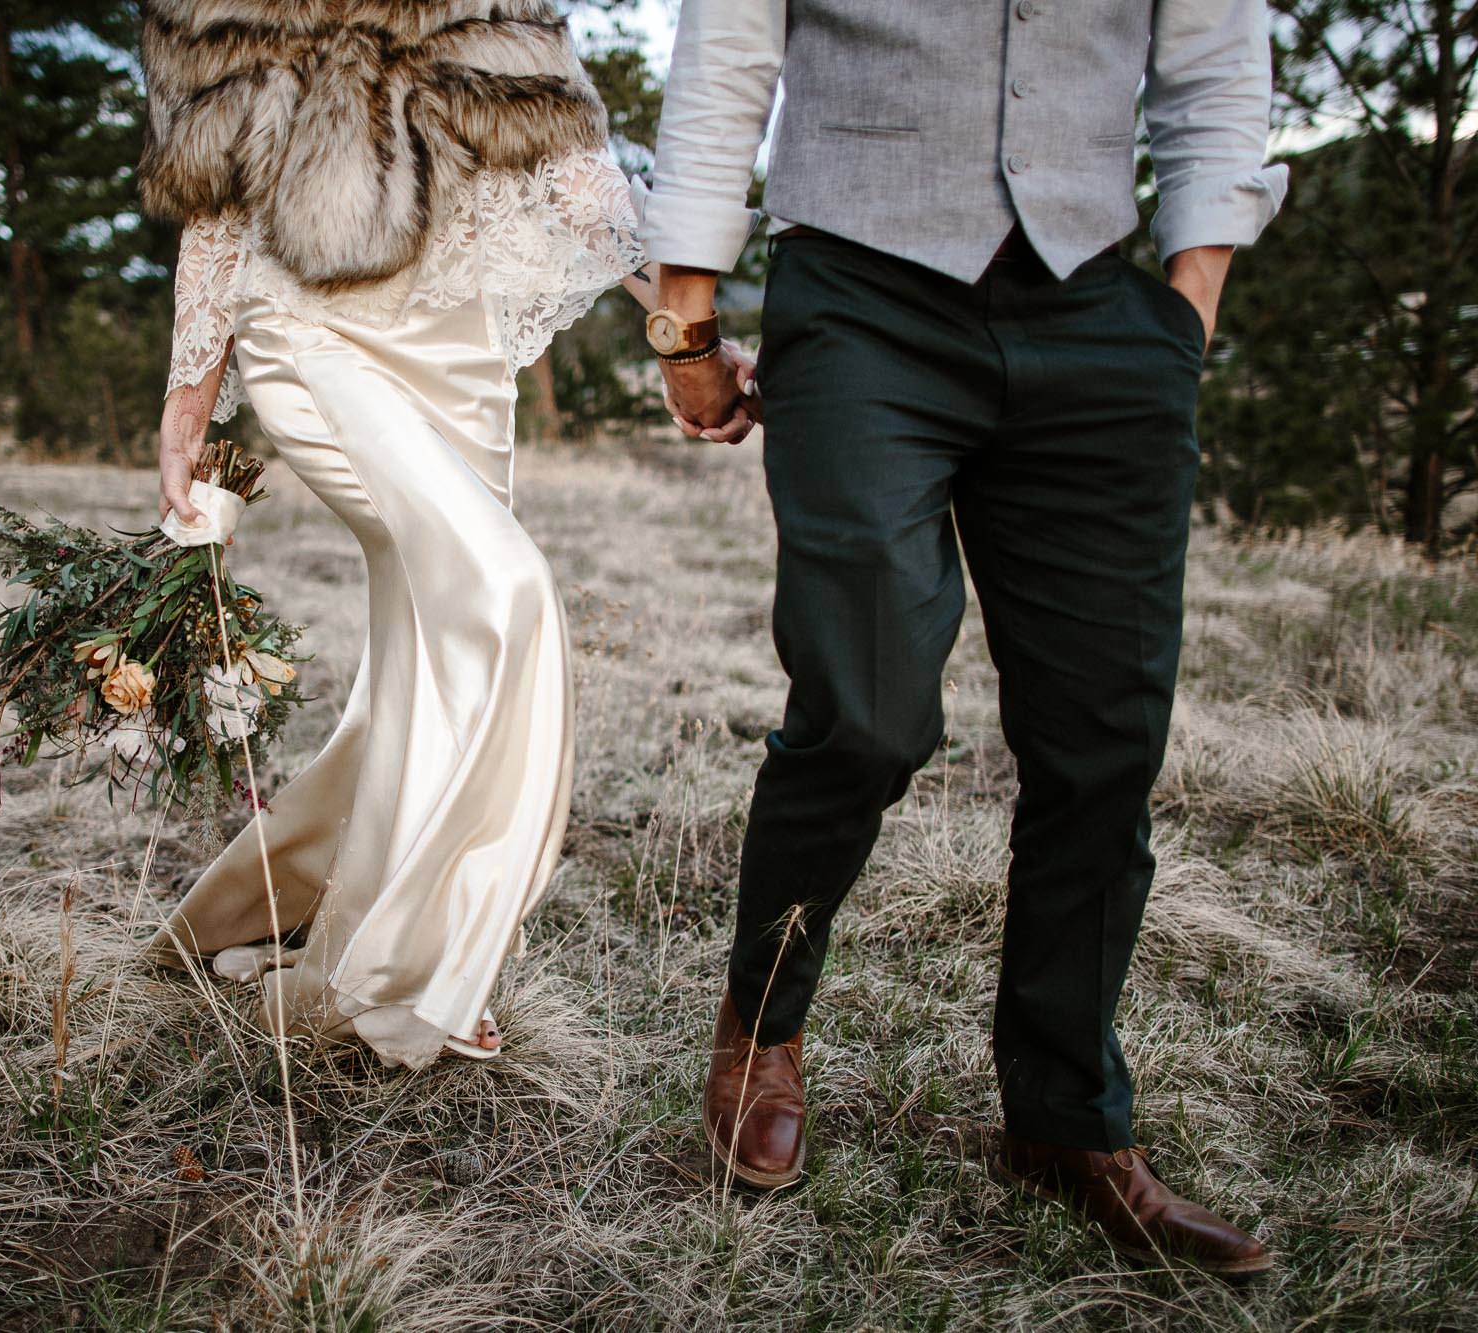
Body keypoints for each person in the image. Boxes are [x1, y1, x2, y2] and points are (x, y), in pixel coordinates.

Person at [638, 0, 1287, 1276]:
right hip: (862, 304)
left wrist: (1184, 305)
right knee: (864, 706)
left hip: (1101, 313)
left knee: (1101, 738)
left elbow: (1213, 70)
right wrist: (686, 316)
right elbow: (725, 63)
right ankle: (760, 1022)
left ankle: (1065, 1121)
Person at [134, 0, 693, 1068]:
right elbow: (212, 206)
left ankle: (328, 918)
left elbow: (576, 173)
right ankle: (431, 960)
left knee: (421, 643)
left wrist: (682, 323)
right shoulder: (219, 11)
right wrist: (187, 400)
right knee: (501, 591)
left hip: (458, 351)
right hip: (312, 336)